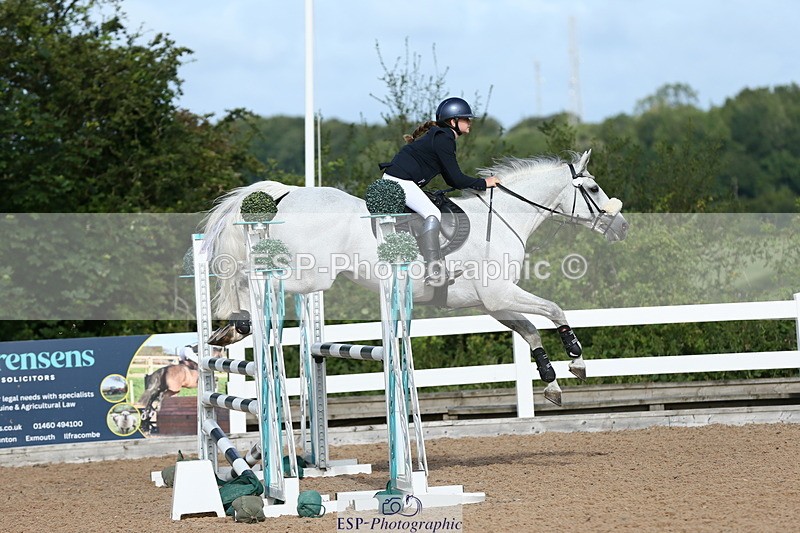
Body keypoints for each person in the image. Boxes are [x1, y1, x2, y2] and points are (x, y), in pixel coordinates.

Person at [379, 97, 500, 285]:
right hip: (399, 182)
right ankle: (434, 271)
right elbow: (457, 179)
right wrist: (484, 183)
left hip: (398, 180)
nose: (470, 122)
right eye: (465, 119)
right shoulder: (444, 139)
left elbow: (451, 179)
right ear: (453, 121)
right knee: (432, 213)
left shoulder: (441, 136)